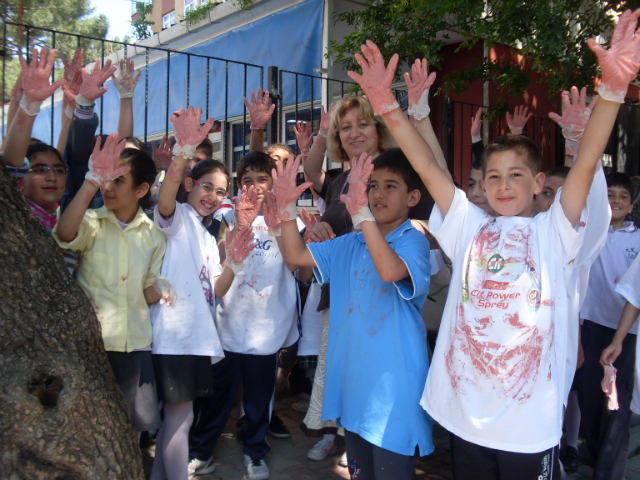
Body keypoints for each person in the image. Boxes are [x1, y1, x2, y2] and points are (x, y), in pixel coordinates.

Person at [345, 19, 639, 477]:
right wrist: (386, 104)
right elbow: (425, 164)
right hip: (467, 414)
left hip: (530, 422)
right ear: (481, 182)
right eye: (493, 176)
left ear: (540, 183)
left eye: (516, 175)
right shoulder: (469, 224)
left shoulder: (554, 230)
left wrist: (614, 90)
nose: (503, 185)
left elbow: (583, 167)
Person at [276, 150, 434, 479]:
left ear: (413, 197)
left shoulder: (412, 241)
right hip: (356, 391)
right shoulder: (350, 243)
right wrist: (285, 210)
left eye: (390, 186)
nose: (377, 193)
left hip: (395, 397)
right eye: (371, 185)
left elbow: (390, 270)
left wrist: (362, 215)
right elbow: (294, 254)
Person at [188, 152, 311, 480]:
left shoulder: (289, 219)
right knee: (216, 396)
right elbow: (218, 262)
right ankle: (201, 452)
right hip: (227, 324)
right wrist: (241, 227)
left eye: (262, 179)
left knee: (259, 398)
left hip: (267, 327)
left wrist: (278, 228)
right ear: (238, 187)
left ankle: (255, 451)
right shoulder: (227, 217)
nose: (255, 187)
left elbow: (296, 265)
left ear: (273, 183)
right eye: (247, 181)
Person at [149, 106, 256, 480]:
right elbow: (163, 201)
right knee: (180, 420)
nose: (213, 195)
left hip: (193, 339)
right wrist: (182, 151)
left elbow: (217, 289)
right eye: (207, 186)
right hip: (175, 338)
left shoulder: (210, 236)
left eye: (221, 191)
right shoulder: (177, 217)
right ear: (191, 185)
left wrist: (235, 264)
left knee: (176, 420)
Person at [54, 134, 171, 440]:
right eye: (106, 179)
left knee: (129, 431)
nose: (107, 187)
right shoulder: (91, 221)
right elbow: (64, 233)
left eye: (118, 181)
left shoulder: (153, 236)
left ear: (142, 189)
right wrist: (91, 180)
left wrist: (161, 288)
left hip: (134, 345)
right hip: (92, 344)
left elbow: (146, 291)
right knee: (89, 427)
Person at [575, 171, 640, 480]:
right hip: (590, 325)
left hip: (625, 333)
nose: (615, 201)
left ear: (631, 207)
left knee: (616, 403)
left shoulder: (637, 240)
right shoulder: (590, 232)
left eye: (622, 197)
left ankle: (609, 472)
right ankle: (597, 452)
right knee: (589, 397)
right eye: (609, 195)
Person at [1, 47, 76, 275]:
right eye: (39, 169)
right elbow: (11, 159)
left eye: (57, 170)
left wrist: (73, 109)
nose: (51, 176)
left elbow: (60, 154)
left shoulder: (63, 220)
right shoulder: (15, 215)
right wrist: (25, 102)